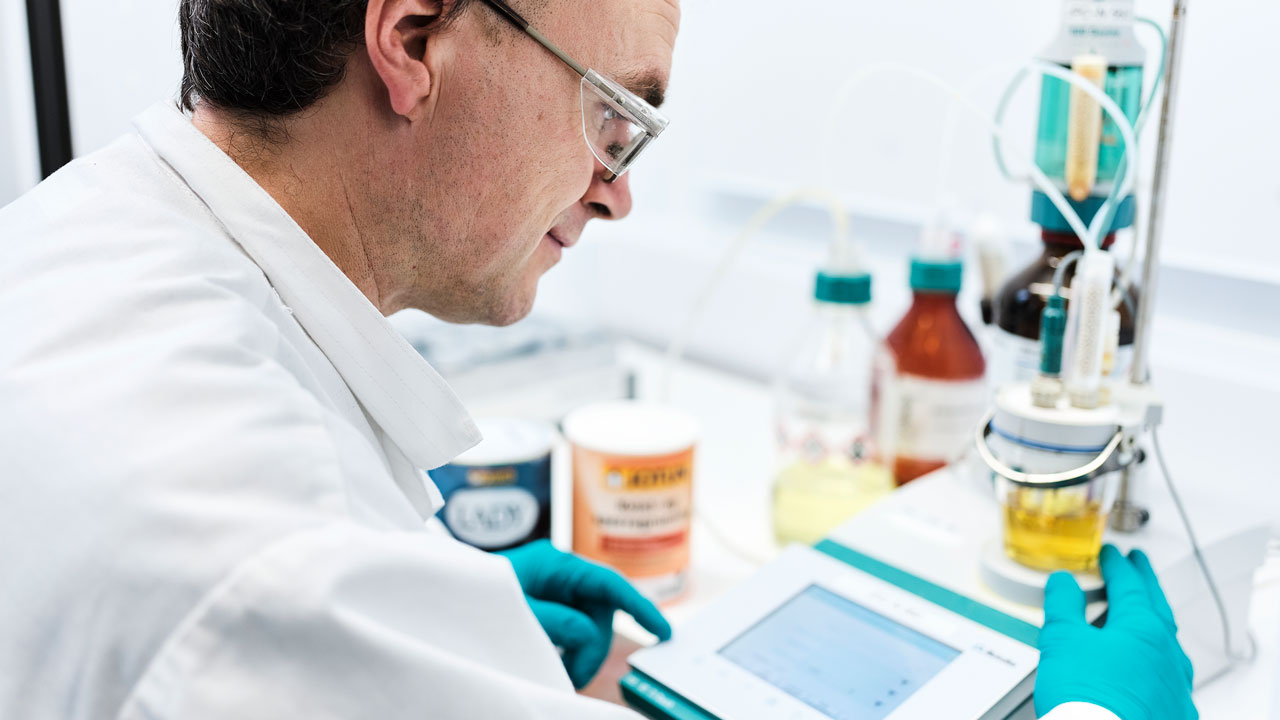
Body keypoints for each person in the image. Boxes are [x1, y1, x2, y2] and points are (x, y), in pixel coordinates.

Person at [0, 0, 1195, 718]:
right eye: (611, 112)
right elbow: (284, 596)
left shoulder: (76, 229)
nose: (617, 191)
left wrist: (444, 620)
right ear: (412, 39)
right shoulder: (296, 575)